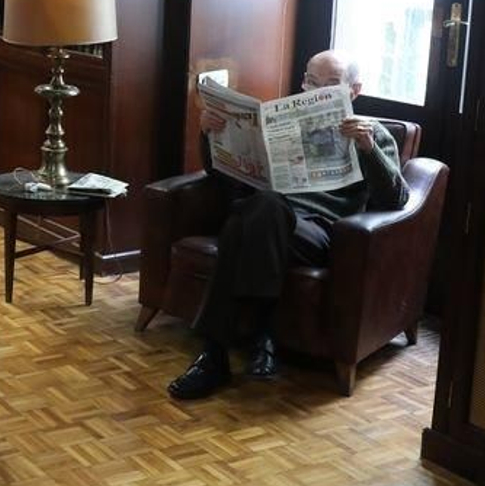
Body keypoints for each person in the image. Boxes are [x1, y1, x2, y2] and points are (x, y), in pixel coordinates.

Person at [167, 49, 410, 400]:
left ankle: (216, 354)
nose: (316, 89)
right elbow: (217, 173)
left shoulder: (371, 134)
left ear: (353, 90)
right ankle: (256, 340)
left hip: (318, 231)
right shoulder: (275, 122)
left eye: (330, 84)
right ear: (302, 81)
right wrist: (209, 135)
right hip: (267, 218)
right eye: (312, 81)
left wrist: (368, 148)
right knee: (260, 210)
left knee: (247, 219)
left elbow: (396, 199)